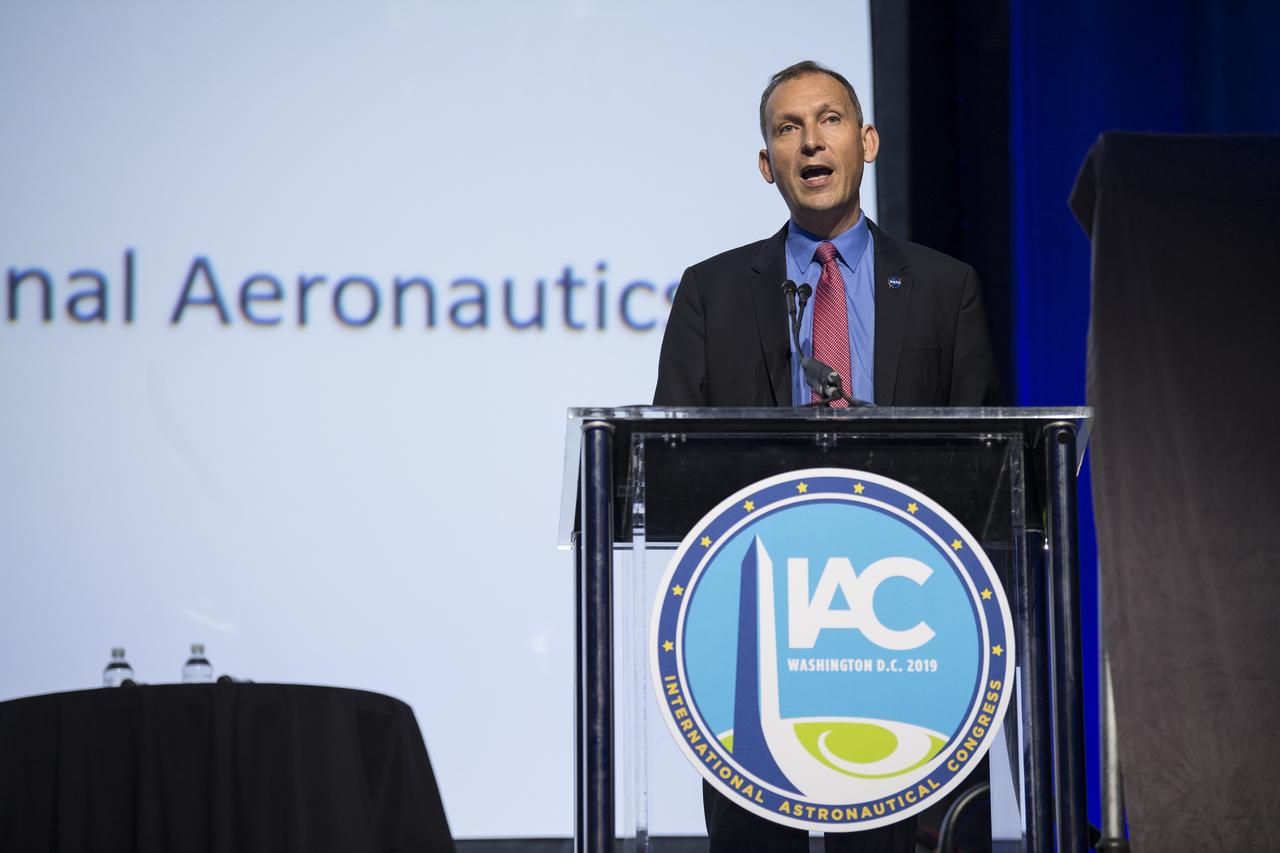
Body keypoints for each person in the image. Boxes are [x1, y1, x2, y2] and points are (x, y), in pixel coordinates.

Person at [653, 60, 1001, 852]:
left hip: (904, 623)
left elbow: (984, 464)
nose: (811, 141)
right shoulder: (711, 292)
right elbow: (671, 458)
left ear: (868, 141)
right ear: (766, 163)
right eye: (787, 129)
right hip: (757, 623)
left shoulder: (948, 287)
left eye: (831, 120)